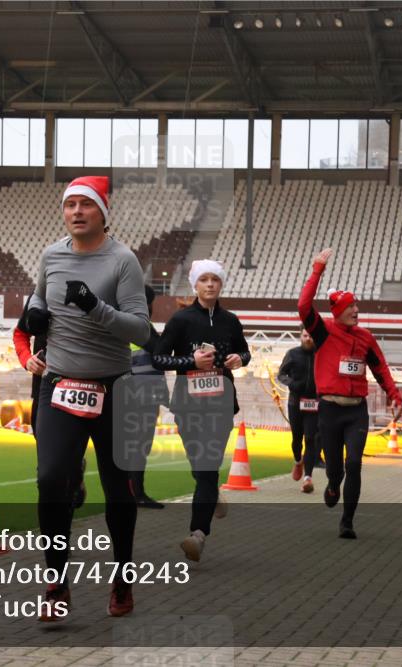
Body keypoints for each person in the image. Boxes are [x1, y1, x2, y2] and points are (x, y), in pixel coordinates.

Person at [25, 175, 150, 620]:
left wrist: (95, 307)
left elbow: (141, 330)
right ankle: (56, 582)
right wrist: (33, 308)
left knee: (119, 489)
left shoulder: (123, 261)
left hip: (113, 388)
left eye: (86, 205)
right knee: (49, 480)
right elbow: (38, 296)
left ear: (102, 212)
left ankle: (121, 577)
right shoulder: (51, 254)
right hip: (59, 385)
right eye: (69, 204)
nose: (76, 211)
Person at [298, 248, 402, 539]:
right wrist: (317, 268)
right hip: (330, 410)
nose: (356, 310)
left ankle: (347, 521)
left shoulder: (366, 337)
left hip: (356, 410)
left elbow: (380, 367)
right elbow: (304, 306)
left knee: (354, 463)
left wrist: (395, 395)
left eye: (356, 305)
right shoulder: (324, 331)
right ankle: (332, 485)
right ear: (338, 312)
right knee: (336, 470)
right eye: (350, 307)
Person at [153, 259, 251, 561]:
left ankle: (198, 534)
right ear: (195, 284)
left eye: (215, 280)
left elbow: (244, 351)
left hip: (221, 404)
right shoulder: (181, 320)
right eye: (204, 280)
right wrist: (190, 363)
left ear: (221, 285)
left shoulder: (231, 320)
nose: (210, 285)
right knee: (202, 468)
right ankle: (211, 492)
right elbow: (159, 359)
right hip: (188, 406)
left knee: (207, 467)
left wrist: (239, 358)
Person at [14, 299, 87, 509]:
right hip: (43, 393)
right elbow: (20, 334)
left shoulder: (95, 290)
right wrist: (27, 359)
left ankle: (74, 477)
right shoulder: (39, 296)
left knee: (67, 463)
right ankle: (54, 533)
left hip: (81, 390)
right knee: (46, 470)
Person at [128, 285, 169, 509]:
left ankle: (134, 493)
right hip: (136, 397)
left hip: (142, 396)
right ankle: (135, 494)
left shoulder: (140, 327)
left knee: (136, 447)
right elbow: (158, 350)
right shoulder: (138, 328)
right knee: (136, 447)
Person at [278, 326, 321, 493]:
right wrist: (291, 383)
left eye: (310, 336)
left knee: (310, 438)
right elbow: (281, 374)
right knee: (297, 438)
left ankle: (308, 478)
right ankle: (298, 461)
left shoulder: (321, 355)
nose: (308, 339)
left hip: (314, 403)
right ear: (300, 337)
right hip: (295, 402)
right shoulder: (292, 354)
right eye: (305, 335)